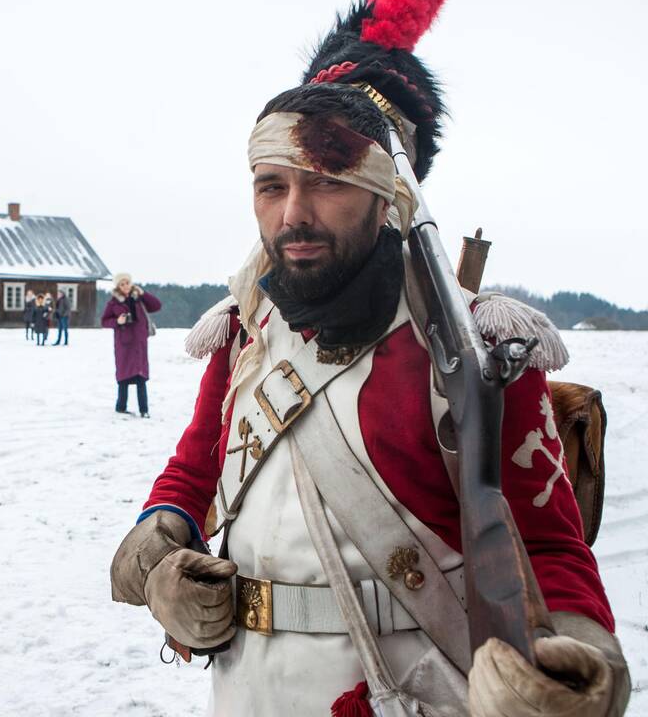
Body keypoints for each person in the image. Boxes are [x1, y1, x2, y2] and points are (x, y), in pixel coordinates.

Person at [108, 65, 629, 717]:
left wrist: (578, 660)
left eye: (328, 182)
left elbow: (550, 545)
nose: (293, 213)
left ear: (384, 198)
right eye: (272, 186)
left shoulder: (475, 341)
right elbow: (195, 472)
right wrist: (162, 551)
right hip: (243, 692)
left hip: (409, 694)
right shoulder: (246, 332)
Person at [101, 274, 160, 418]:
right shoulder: (114, 303)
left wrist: (143, 293)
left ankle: (144, 410)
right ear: (118, 287)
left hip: (139, 344)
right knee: (123, 377)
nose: (125, 286)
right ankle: (121, 407)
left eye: (127, 283)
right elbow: (104, 321)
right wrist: (117, 321)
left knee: (141, 377)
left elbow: (157, 306)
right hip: (124, 344)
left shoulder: (139, 299)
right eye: (122, 284)